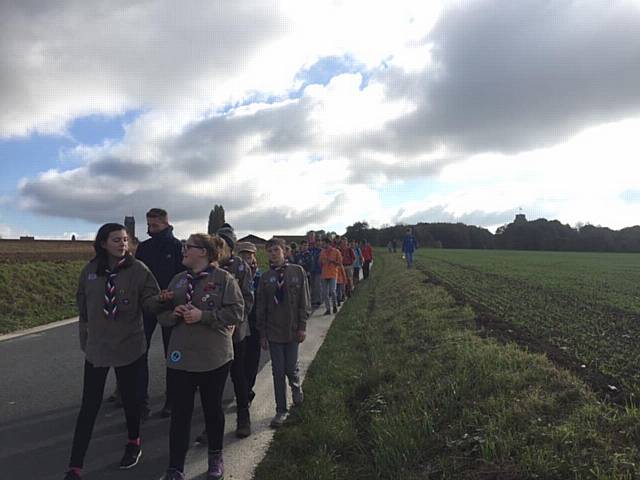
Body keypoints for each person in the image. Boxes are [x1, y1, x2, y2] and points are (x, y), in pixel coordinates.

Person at [63, 223, 160, 480]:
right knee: (89, 405)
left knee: (131, 400)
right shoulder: (91, 271)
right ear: (103, 243)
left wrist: (161, 303)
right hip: (98, 347)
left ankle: (133, 441)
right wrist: (86, 334)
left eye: (125, 240)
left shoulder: (139, 270)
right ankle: (75, 466)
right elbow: (82, 303)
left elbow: (150, 300)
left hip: (130, 344)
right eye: (116, 240)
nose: (123, 244)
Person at [156, 233, 244, 480]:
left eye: (189, 247)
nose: (183, 250)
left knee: (212, 410)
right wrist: (174, 313)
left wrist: (203, 316)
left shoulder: (224, 279)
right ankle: (175, 466)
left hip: (213, 357)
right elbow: (161, 317)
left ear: (203, 252)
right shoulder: (177, 280)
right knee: (180, 414)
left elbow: (237, 313)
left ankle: (215, 456)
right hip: (180, 357)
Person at [135, 208, 185, 419]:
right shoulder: (143, 248)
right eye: (148, 225)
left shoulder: (177, 247)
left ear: (166, 223)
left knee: (172, 355)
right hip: (147, 305)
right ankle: (140, 401)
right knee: (139, 352)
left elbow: (183, 275)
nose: (150, 229)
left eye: (154, 225)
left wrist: (172, 295)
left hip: (171, 306)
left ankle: (172, 400)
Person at [256, 237, 311, 428]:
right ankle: (281, 410)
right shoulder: (265, 278)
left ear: (285, 251)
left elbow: (304, 301)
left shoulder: (297, 271)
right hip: (273, 331)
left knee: (290, 368)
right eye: (269, 251)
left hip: (293, 329)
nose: (273, 254)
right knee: (277, 372)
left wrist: (303, 326)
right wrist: (262, 333)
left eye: (276, 250)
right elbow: (261, 306)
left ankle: (296, 386)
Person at [216, 223, 254, 439]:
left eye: (224, 244)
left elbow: (248, 298)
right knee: (214, 380)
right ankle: (212, 421)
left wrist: (235, 321)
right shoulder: (210, 266)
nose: (220, 248)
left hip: (236, 332)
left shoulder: (241, 267)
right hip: (214, 332)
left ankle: (243, 416)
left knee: (238, 375)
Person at [235, 241, 262, 409]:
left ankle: (247, 391)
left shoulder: (261, 277)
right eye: (243, 255)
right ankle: (242, 391)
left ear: (254, 257)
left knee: (252, 360)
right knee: (239, 362)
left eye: (249, 255)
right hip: (240, 324)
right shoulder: (233, 276)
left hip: (256, 323)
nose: (246, 258)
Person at [319, 237, 341, 315]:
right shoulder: (322, 252)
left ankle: (334, 305)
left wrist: (333, 262)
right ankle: (328, 309)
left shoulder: (336, 251)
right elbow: (320, 262)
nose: (322, 244)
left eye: (323, 243)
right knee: (325, 293)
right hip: (324, 274)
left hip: (333, 273)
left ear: (328, 243)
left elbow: (339, 263)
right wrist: (322, 262)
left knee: (332, 291)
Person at [306, 232, 323, 308]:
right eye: (317, 241)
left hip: (319, 270)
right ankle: (313, 300)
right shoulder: (310, 250)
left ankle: (319, 300)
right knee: (312, 286)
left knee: (318, 285)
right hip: (311, 270)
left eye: (319, 241)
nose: (318, 243)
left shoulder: (321, 251)